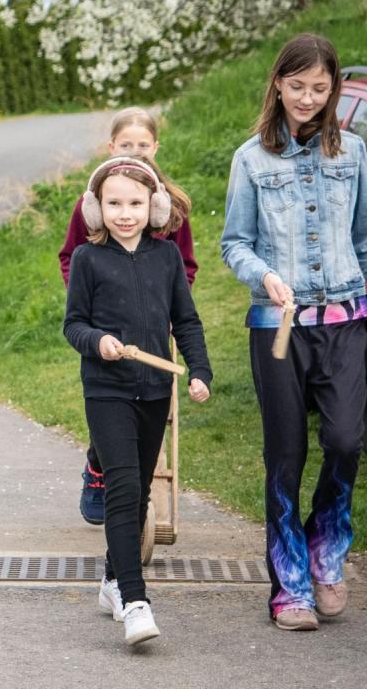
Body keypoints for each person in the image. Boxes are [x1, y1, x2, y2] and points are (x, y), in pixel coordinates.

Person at [221, 32, 367, 632]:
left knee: (347, 441)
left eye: (320, 87)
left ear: (333, 90)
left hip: (347, 321)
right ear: (278, 84)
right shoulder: (250, 159)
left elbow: (362, 240)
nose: (308, 98)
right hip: (276, 325)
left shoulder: (354, 152)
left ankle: (325, 550)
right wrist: (265, 276)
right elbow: (235, 243)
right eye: (297, 85)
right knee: (285, 454)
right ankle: (290, 586)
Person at [64, 156, 211, 646]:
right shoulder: (87, 259)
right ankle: (134, 600)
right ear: (95, 208)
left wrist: (199, 371)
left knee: (140, 489)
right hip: (106, 391)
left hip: (154, 391)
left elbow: (185, 321)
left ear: (155, 206)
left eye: (134, 203)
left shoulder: (166, 257)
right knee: (123, 487)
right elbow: (73, 325)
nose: (124, 213)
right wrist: (97, 341)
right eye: (113, 204)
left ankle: (112, 579)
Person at [58, 107, 199, 526]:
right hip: (105, 322)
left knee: (149, 403)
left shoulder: (169, 206)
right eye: (125, 145)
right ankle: (99, 467)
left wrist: (169, 304)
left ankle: (133, 496)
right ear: (111, 147)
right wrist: (90, 299)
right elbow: (72, 256)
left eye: (143, 145)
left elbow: (185, 265)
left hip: (156, 320)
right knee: (111, 400)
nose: (135, 151)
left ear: (155, 147)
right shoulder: (93, 204)